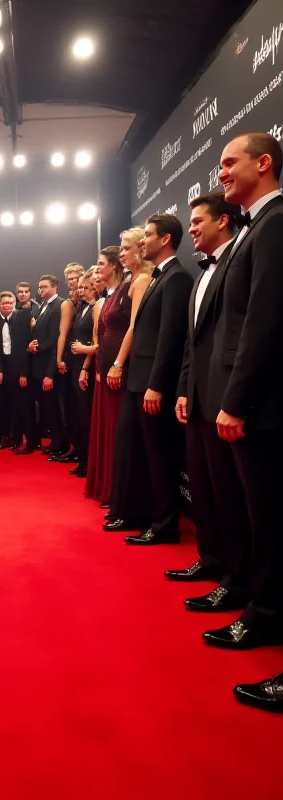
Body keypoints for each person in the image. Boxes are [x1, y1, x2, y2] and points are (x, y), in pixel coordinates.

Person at [202, 133, 283, 651]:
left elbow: (265, 321)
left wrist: (236, 400)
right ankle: (261, 611)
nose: (222, 173)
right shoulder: (260, 228)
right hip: (256, 404)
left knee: (273, 524)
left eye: (230, 163)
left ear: (265, 162)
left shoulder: (274, 224)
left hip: (264, 409)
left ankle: (267, 616)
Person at [169, 194, 252, 616]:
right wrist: (185, 388)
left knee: (229, 495)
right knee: (204, 488)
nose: (193, 229)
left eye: (199, 221)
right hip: (198, 398)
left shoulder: (238, 261)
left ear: (224, 221)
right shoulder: (202, 275)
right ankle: (213, 559)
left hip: (225, 399)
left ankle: (236, 581)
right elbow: (192, 342)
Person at [120, 215, 192, 546]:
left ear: (164, 240)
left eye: (147, 235)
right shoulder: (158, 277)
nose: (142, 241)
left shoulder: (176, 278)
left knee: (160, 457)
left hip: (152, 384)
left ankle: (165, 525)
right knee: (147, 456)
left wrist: (156, 384)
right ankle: (153, 516)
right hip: (139, 382)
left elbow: (169, 337)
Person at [98, 234, 153, 527]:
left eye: (127, 248)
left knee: (130, 440)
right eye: (120, 249)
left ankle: (131, 508)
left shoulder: (142, 280)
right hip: (120, 368)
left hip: (131, 370)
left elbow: (135, 327)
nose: (122, 254)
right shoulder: (129, 282)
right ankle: (124, 505)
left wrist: (118, 363)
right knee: (123, 439)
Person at [28, 275, 65, 454]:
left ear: (54, 287)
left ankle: (59, 444)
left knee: (53, 408)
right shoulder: (42, 306)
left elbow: (56, 338)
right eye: (39, 287)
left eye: (44, 287)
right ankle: (55, 443)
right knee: (46, 408)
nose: (40, 290)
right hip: (39, 366)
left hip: (49, 366)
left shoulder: (59, 305)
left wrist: (49, 373)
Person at [53, 264, 85, 464]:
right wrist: (59, 359)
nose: (72, 282)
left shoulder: (86, 301)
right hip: (70, 360)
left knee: (79, 408)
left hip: (82, 358)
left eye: (75, 278)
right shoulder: (68, 304)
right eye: (69, 279)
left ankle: (80, 448)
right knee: (71, 407)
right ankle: (75, 447)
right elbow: (62, 334)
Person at [68, 269, 99, 477]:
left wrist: (86, 361)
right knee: (80, 415)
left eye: (85, 287)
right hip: (77, 365)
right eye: (80, 287)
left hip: (87, 367)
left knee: (87, 415)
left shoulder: (96, 307)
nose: (81, 290)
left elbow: (97, 342)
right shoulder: (83, 308)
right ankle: (83, 460)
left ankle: (89, 464)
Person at [0, 291, 30, 450]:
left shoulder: (22, 318)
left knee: (18, 403)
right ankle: (4, 437)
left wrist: (23, 373)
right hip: (2, 366)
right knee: (2, 403)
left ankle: (17, 438)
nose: (7, 305)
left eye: (10, 302)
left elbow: (24, 348)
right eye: (4, 303)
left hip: (17, 365)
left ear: (14, 303)